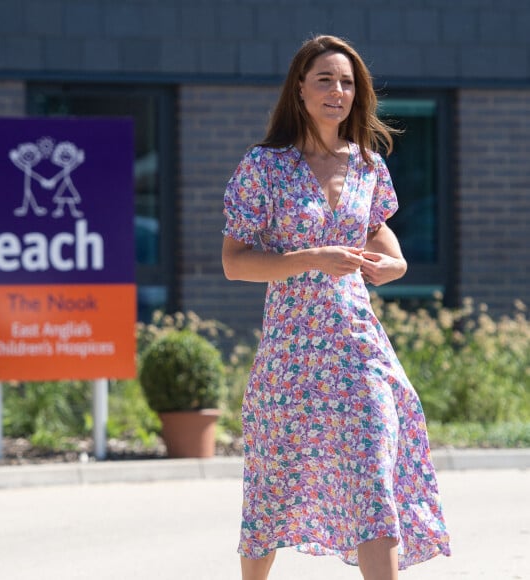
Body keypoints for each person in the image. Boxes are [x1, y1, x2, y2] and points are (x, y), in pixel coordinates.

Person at [221, 35, 450, 580]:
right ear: (299, 88)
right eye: (325, 79)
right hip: (290, 353)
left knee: (374, 479)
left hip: (357, 348)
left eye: (347, 82)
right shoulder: (263, 167)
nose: (337, 91)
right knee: (271, 488)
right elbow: (235, 262)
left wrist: (392, 267)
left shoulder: (368, 165)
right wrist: (310, 257)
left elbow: (386, 245)